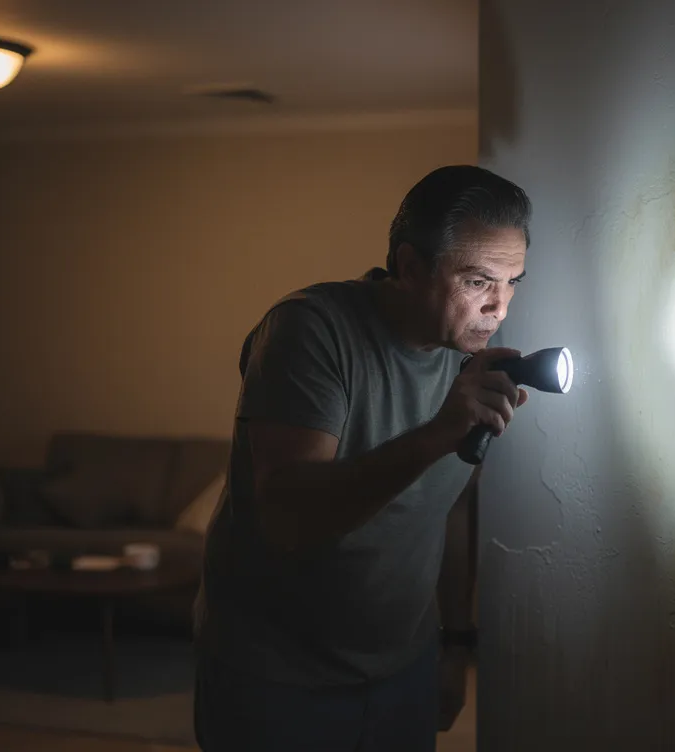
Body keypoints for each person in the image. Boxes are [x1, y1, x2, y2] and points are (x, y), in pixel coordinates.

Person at [193, 165, 534, 751]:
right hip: (274, 674)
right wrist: (438, 433)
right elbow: (288, 517)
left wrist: (455, 644)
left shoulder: (469, 358)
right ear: (409, 267)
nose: (499, 307)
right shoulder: (312, 330)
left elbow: (449, 511)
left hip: (403, 666)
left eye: (513, 282)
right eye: (478, 281)